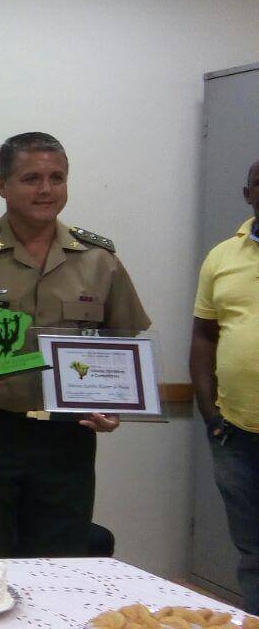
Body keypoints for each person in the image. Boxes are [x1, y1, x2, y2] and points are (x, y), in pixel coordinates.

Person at [0, 131, 150, 558]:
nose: (46, 189)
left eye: (56, 178)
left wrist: (112, 403)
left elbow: (123, 341)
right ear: (1, 184)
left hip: (66, 438)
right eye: (31, 178)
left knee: (60, 561)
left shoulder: (98, 259)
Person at [190, 157, 259, 612]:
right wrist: (210, 414)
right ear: (248, 193)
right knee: (253, 553)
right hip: (236, 432)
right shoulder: (221, 257)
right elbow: (203, 337)